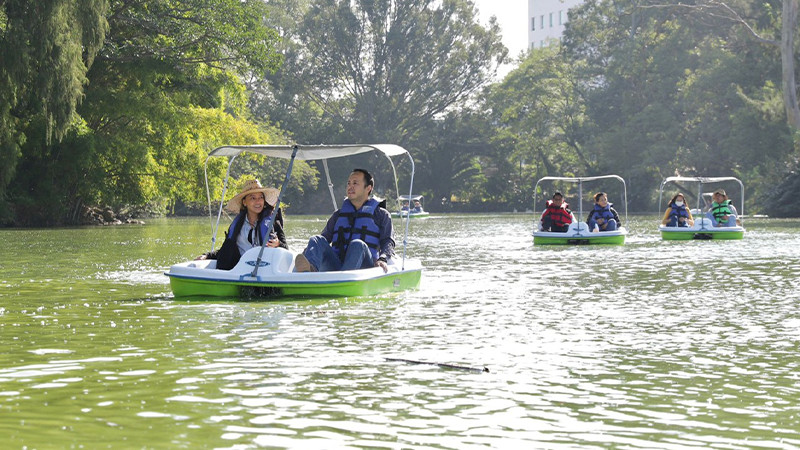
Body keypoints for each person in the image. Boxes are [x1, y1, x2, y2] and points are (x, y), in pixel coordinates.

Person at [295, 168, 394, 273]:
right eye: (349, 183)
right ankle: (309, 271)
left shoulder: (381, 214)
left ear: (368, 188)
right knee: (316, 239)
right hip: (337, 264)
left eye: (355, 183)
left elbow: (388, 241)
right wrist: (307, 253)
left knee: (357, 244)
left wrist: (383, 258)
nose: (350, 187)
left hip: (365, 267)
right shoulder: (338, 215)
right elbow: (324, 239)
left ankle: (343, 280)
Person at [196, 179, 287, 270]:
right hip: (241, 271)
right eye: (253, 198)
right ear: (244, 202)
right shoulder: (237, 226)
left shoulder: (273, 223)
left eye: (261, 197)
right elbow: (226, 250)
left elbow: (285, 249)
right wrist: (207, 256)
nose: (258, 202)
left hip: (265, 271)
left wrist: (278, 244)